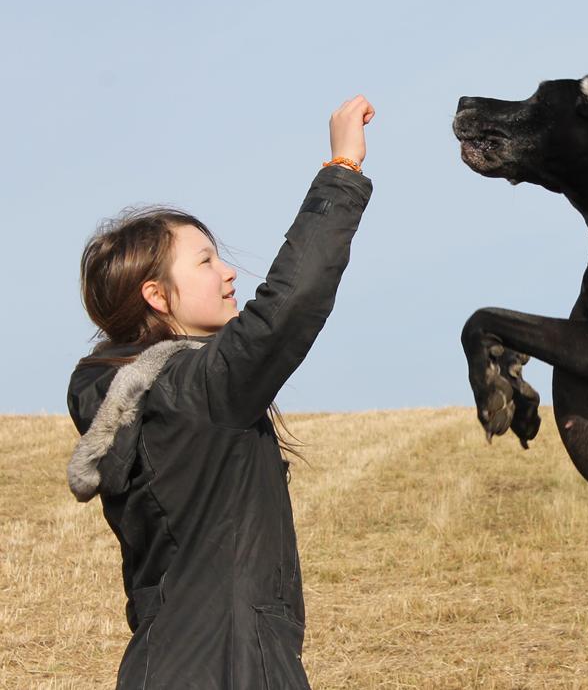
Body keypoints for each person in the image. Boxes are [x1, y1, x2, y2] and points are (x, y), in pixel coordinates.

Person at [65, 95, 375, 689]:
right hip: (232, 666)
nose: (229, 271)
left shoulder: (144, 399)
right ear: (157, 296)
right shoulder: (194, 393)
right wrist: (342, 169)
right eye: (206, 261)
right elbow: (286, 309)